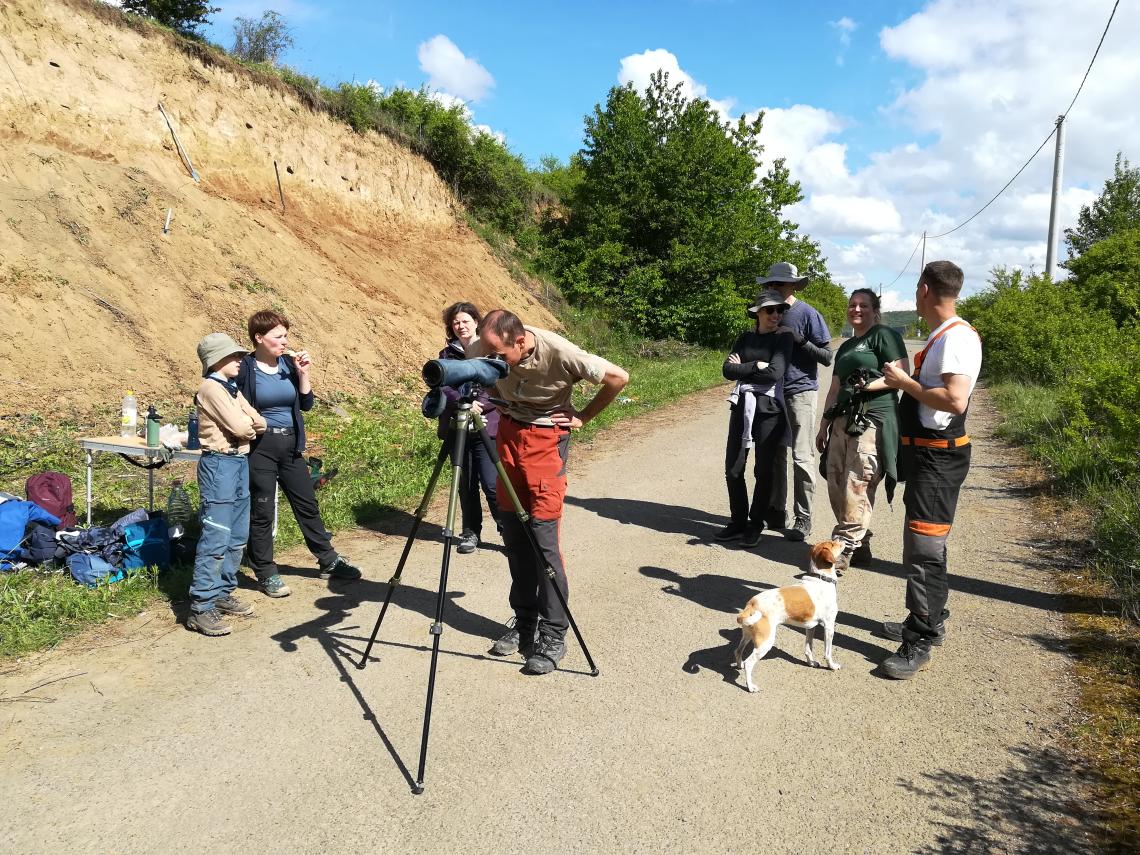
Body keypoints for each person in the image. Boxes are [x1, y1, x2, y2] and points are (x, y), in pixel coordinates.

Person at [469, 309, 629, 676]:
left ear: (521, 341)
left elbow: (619, 377)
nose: (492, 360)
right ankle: (524, 622)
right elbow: (473, 361)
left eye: (499, 355)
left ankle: (553, 633)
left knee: (543, 541)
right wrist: (493, 389)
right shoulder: (489, 344)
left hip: (545, 442)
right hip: (507, 435)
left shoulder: (560, 352)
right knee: (513, 535)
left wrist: (584, 416)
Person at [879, 261, 982, 679]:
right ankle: (930, 616)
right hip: (928, 457)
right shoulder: (947, 335)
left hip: (938, 459)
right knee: (926, 543)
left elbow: (955, 401)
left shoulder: (955, 338)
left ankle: (921, 636)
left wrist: (905, 383)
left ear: (924, 289)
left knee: (923, 549)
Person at [236, 310, 361, 598]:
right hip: (260, 448)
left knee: (307, 503)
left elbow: (305, 404)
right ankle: (265, 570)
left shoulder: (288, 366)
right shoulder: (245, 367)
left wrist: (304, 374)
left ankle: (328, 560)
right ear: (259, 338)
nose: (284, 341)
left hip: (291, 445)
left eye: (286, 336)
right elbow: (224, 390)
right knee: (263, 510)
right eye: (278, 336)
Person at [814, 289, 908, 570]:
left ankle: (843, 546)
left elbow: (902, 375)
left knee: (858, 483)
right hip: (843, 419)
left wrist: (867, 386)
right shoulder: (845, 347)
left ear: (874, 309)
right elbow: (834, 388)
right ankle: (861, 542)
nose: (856, 309)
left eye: (863, 305)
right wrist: (824, 425)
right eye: (852, 305)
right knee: (836, 483)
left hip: (872, 419)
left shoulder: (884, 336)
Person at [187, 333, 266, 636]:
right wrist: (248, 426)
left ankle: (222, 592)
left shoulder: (230, 389)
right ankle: (201, 607)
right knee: (216, 537)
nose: (240, 360)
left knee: (237, 535)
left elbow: (259, 422)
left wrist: (249, 426)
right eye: (234, 356)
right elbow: (241, 426)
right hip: (219, 464)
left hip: (238, 463)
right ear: (217, 360)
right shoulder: (211, 388)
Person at [759, 262, 833, 541]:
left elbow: (827, 358)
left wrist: (799, 339)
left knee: (801, 455)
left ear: (792, 285)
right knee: (775, 453)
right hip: (770, 392)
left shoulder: (807, 314)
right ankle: (777, 511)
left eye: (778, 283)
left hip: (800, 390)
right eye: (770, 283)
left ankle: (803, 518)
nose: (773, 288)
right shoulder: (767, 311)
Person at [717, 288, 794, 548]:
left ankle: (755, 524)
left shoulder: (783, 339)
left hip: (769, 409)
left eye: (780, 310)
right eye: (770, 310)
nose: (776, 315)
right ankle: (737, 521)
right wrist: (755, 367)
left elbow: (775, 374)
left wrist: (745, 369)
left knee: (764, 470)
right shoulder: (745, 337)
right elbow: (727, 370)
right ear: (758, 313)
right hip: (742, 406)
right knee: (733, 468)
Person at [437, 301, 500, 555]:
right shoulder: (446, 355)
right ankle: (471, 531)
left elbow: (497, 381)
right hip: (458, 425)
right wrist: (463, 403)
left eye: (465, 320)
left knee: (492, 483)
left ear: (476, 322)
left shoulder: (489, 350)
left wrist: (479, 405)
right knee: (465, 483)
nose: (461, 326)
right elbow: (442, 385)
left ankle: (508, 528)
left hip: (488, 425)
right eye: (456, 322)